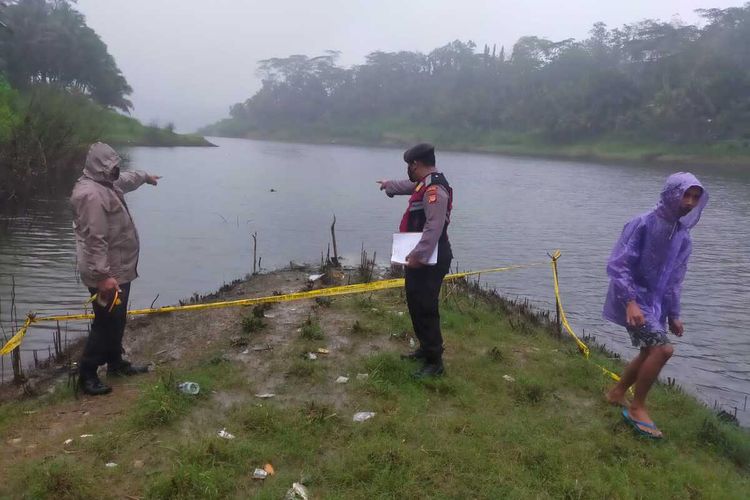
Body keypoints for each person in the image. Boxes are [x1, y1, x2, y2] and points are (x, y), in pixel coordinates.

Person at [603, 172, 707, 438]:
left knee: (649, 351)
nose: (690, 202)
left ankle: (616, 393)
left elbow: (675, 279)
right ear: (672, 193)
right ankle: (637, 407)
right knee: (663, 350)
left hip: (655, 304)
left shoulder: (683, 237)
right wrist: (630, 302)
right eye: (686, 195)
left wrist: (674, 314)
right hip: (632, 298)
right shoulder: (643, 223)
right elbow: (619, 263)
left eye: (696, 197)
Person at [70, 142, 161, 395]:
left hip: (118, 270)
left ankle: (116, 364)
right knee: (105, 323)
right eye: (111, 167)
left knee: (117, 320)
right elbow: (93, 240)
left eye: (117, 167)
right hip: (105, 274)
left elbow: (128, 179)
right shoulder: (90, 195)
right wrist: (103, 277)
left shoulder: (108, 183)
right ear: (99, 167)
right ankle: (87, 375)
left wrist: (145, 177)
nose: (116, 172)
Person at [377, 143, 453, 378]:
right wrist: (389, 185)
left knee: (426, 307)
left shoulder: (435, 191)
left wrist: (419, 256)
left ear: (415, 164)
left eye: (408, 165)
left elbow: (434, 227)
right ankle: (425, 348)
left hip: (431, 257)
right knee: (414, 303)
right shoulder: (425, 183)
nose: (407, 170)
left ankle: (435, 362)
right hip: (420, 255)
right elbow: (409, 186)